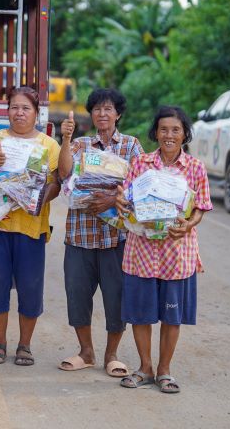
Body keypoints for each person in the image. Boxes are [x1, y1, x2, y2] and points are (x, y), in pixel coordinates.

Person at [115, 106, 212, 394]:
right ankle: (144, 368)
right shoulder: (141, 163)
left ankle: (164, 371)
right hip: (141, 251)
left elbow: (201, 208)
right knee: (141, 313)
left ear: (185, 134)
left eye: (175, 130)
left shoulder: (195, 168)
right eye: (164, 129)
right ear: (155, 133)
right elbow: (126, 201)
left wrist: (189, 224)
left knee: (172, 316)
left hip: (177, 253)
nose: (169, 135)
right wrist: (122, 203)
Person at [57, 88, 143, 377]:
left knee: (116, 298)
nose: (102, 114)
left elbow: (141, 188)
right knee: (77, 295)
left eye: (108, 109)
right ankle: (86, 352)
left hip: (117, 238)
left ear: (118, 114)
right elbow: (64, 174)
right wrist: (66, 139)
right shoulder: (80, 144)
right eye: (96, 109)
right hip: (80, 234)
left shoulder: (131, 146)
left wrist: (111, 200)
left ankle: (112, 354)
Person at [0, 86, 63, 367]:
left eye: (26, 108)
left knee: (30, 287)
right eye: (14, 107)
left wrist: (37, 200)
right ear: (7, 111)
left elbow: (55, 183)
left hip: (30, 226)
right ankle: (0, 343)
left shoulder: (48, 145)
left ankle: (24, 345)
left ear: (36, 114)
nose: (19, 112)